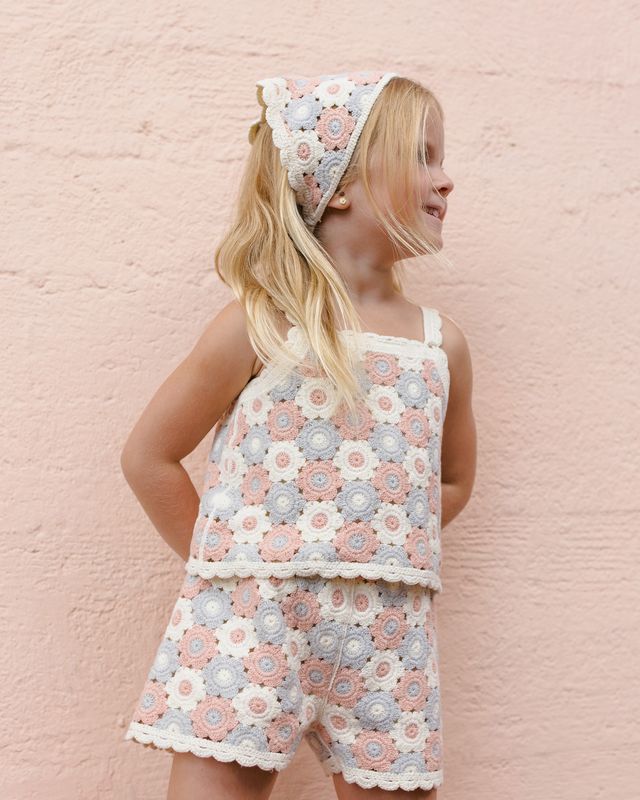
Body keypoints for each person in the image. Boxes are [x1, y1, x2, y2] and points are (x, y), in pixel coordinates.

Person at [121, 70, 476, 800]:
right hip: (250, 628)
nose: (445, 181)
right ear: (338, 183)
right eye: (422, 155)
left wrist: (370, 535)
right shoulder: (263, 324)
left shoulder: (443, 346)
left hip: (388, 640)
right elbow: (149, 456)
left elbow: (452, 480)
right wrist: (234, 572)